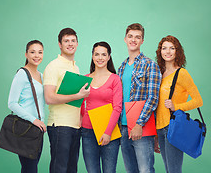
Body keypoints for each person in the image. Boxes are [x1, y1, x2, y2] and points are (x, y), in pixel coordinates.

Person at [43, 28, 90, 173]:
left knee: (71, 169)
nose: (70, 44)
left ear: (77, 43)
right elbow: (49, 97)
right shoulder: (53, 66)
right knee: (59, 168)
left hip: (75, 126)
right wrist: (78, 96)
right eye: (66, 41)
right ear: (60, 44)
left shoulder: (75, 67)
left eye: (73, 41)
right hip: (59, 126)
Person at [155, 35, 203, 173]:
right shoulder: (160, 73)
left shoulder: (182, 73)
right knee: (168, 170)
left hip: (173, 126)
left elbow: (198, 100)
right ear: (160, 52)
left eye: (172, 48)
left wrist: (177, 106)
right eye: (164, 48)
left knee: (174, 170)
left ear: (177, 51)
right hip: (160, 128)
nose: (168, 51)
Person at [118, 23, 162, 173]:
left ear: (142, 41)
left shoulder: (150, 65)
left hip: (142, 128)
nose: (133, 40)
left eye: (137, 37)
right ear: (125, 39)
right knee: (131, 170)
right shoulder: (122, 67)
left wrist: (139, 123)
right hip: (123, 128)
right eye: (130, 36)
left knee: (145, 170)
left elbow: (153, 98)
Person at [81, 42, 123, 173]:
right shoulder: (85, 78)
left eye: (103, 54)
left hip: (109, 132)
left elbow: (117, 107)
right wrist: (82, 121)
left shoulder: (114, 79)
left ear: (109, 57)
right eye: (97, 54)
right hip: (88, 132)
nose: (100, 58)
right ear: (92, 56)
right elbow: (81, 104)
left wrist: (107, 132)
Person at [8, 40, 46, 173]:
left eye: (40, 52)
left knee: (30, 169)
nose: (37, 55)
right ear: (26, 54)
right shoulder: (22, 74)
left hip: (39, 131)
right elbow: (12, 103)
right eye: (33, 52)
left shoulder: (41, 75)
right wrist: (34, 120)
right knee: (30, 169)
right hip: (26, 128)